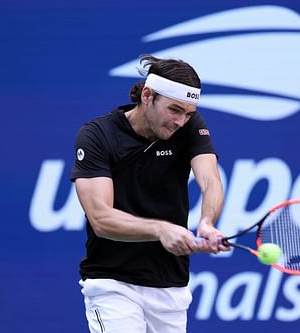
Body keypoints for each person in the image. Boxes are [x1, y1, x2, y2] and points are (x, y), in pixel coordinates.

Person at [70, 54, 228, 333]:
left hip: (171, 286)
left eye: (188, 113)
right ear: (147, 95)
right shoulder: (97, 135)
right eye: (174, 110)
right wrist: (161, 230)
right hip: (112, 283)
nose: (181, 121)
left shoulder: (189, 127)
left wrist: (207, 222)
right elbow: (101, 219)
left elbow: (211, 180)